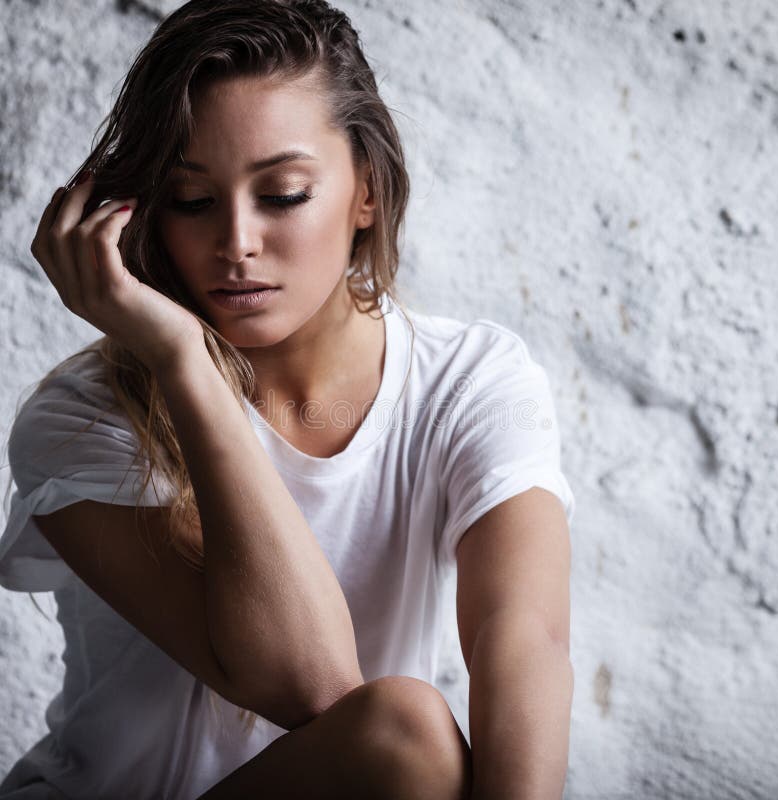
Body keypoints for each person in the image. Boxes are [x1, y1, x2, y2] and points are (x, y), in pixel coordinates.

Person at [0, 1, 577, 798]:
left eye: (282, 194)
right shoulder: (79, 417)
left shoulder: (471, 381)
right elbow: (304, 681)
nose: (236, 241)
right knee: (407, 741)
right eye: (193, 201)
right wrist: (183, 361)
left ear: (365, 190)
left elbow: (527, 635)